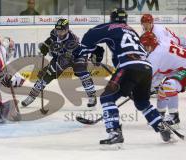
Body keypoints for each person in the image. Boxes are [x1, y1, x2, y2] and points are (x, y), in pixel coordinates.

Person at [73, 8, 172, 146]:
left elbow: (91, 34)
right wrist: (130, 83)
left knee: (107, 97)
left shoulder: (110, 27)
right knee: (142, 103)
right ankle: (160, 125)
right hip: (146, 67)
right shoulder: (133, 31)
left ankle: (114, 132)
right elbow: (126, 53)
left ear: (112, 18)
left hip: (128, 66)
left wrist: (83, 52)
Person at [21, 18, 101, 108]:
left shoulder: (72, 40)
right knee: (46, 76)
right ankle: (31, 96)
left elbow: (65, 60)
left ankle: (92, 96)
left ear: (67, 30)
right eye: (57, 30)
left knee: (81, 71)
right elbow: (50, 41)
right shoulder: (54, 33)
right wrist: (45, 47)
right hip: (61, 56)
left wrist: (51, 69)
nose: (59, 33)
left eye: (62, 31)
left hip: (77, 56)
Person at [141, 13, 186, 125]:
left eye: (146, 47)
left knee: (169, 85)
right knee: (162, 89)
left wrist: (136, 89)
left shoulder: (155, 56)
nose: (145, 49)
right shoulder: (161, 42)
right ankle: (160, 114)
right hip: (177, 67)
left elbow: (149, 78)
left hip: (183, 67)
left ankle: (174, 117)